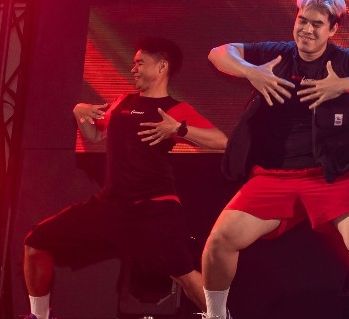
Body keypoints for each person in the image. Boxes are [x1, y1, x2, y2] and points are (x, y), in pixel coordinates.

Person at [201, 0, 349, 319]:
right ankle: (216, 316)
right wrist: (251, 72)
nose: (307, 30)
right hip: (274, 175)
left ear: (333, 29)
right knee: (220, 241)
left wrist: (341, 85)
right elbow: (219, 53)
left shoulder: (345, 60)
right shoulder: (276, 54)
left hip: (330, 176)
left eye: (317, 24)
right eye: (302, 21)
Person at [23, 37, 227, 319]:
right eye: (133, 64)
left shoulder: (175, 109)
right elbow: (95, 134)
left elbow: (222, 141)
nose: (133, 69)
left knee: (183, 273)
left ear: (162, 67)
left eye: (140, 63)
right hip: (112, 205)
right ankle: (39, 316)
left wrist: (179, 130)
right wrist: (80, 113)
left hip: (154, 207)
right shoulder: (122, 102)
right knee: (36, 241)